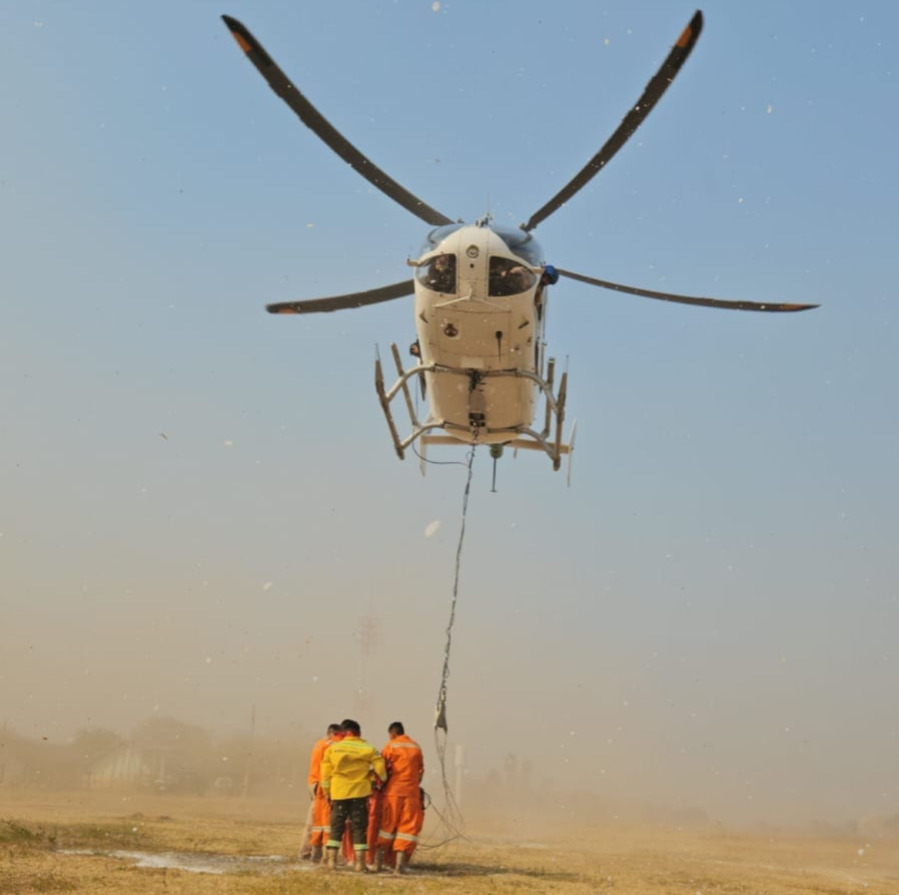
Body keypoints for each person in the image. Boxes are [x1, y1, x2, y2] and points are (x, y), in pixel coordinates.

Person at [320, 719, 387, 872]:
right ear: (359, 733)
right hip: (359, 793)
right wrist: (378, 778)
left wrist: (326, 792)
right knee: (359, 828)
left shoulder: (333, 748)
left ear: (343, 733)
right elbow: (381, 771)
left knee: (336, 827)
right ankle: (360, 864)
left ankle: (331, 862)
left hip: (339, 792)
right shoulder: (369, 748)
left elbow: (325, 773)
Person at [375, 721, 424, 874]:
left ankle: (378, 863)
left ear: (393, 734)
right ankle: (399, 866)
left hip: (393, 793)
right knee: (407, 829)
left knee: (386, 827)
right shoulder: (416, 747)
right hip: (412, 794)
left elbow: (382, 769)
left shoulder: (391, 746)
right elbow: (420, 772)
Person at [300, 722, 342, 862]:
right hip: (322, 786)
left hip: (313, 783)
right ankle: (312, 852)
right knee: (319, 820)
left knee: (313, 818)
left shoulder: (319, 743)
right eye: (340, 735)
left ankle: (306, 851)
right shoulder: (330, 745)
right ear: (333, 734)